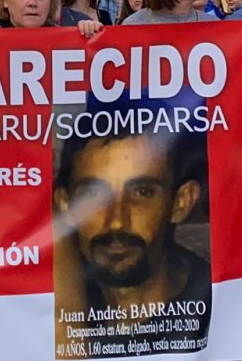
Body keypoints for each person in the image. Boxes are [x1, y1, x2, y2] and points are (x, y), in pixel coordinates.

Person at [53, 126, 209, 354]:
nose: (117, 221)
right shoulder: (53, 307)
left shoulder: (221, 311)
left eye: (142, 192)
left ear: (181, 203)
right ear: (65, 205)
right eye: (93, 194)